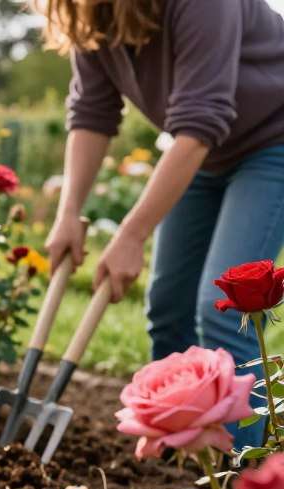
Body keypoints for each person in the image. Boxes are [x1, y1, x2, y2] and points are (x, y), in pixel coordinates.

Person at [40, 0, 284, 445]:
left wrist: (132, 235)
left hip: (272, 141)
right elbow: (93, 111)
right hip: (202, 151)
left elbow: (201, 119)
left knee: (226, 308)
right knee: (168, 308)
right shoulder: (90, 10)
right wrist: (68, 212)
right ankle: (183, 451)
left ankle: (241, 488)